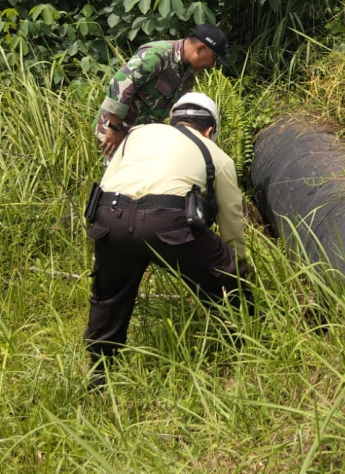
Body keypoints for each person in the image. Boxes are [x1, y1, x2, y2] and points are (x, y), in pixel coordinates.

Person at [84, 92, 249, 390]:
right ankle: (246, 346)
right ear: (210, 129)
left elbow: (111, 176)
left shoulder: (136, 133)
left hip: (110, 216)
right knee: (227, 276)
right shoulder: (216, 154)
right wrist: (234, 263)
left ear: (173, 119)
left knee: (110, 295)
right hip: (168, 221)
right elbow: (232, 217)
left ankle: (99, 374)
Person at [93, 24, 231, 158]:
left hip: (141, 137)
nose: (212, 65)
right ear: (200, 48)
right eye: (214, 58)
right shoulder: (158, 54)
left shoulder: (188, 73)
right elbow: (120, 84)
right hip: (115, 130)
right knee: (117, 178)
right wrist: (114, 128)